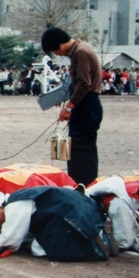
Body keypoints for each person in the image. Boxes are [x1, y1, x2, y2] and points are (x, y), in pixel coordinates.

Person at [41, 26, 103, 185]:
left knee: (83, 152)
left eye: (55, 51)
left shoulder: (80, 52)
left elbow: (84, 84)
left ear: (59, 44)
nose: (57, 54)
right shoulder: (82, 48)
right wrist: (63, 98)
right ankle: (79, 185)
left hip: (87, 106)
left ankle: (84, 187)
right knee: (77, 151)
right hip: (85, 104)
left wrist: (68, 107)